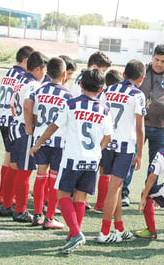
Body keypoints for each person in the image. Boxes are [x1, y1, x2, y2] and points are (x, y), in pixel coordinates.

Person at [30, 69, 113, 254]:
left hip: (73, 158)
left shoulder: (72, 104)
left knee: (62, 195)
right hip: (92, 160)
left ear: (81, 85)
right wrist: (97, 150)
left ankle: (75, 233)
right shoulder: (104, 109)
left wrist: (38, 143)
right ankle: (72, 234)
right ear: (101, 90)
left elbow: (54, 126)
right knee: (81, 198)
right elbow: (108, 136)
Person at [97, 60, 146, 243]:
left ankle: (119, 228)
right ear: (141, 78)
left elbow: (100, 115)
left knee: (114, 187)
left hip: (107, 143)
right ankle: (104, 232)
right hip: (124, 146)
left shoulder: (108, 90)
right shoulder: (137, 94)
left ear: (124, 74)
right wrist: (140, 153)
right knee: (114, 188)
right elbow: (140, 128)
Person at [0, 51, 47, 222]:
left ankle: (6, 205)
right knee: (24, 171)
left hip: (14, 125)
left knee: (13, 167)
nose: (44, 75)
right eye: (43, 71)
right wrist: (30, 128)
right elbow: (28, 105)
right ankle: (20, 210)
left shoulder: (20, 81)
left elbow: (13, 103)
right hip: (23, 128)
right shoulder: (33, 84)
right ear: (37, 69)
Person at [26, 57, 72, 228]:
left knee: (40, 176)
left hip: (40, 138)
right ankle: (49, 217)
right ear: (64, 74)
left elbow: (33, 112)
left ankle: (37, 214)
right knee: (54, 179)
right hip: (58, 140)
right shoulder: (68, 95)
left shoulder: (39, 90)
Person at [136, 44, 164, 207]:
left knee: (156, 164)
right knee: (131, 158)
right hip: (139, 125)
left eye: (163, 61)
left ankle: (151, 194)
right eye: (157, 59)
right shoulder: (142, 70)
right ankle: (123, 193)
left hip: (161, 127)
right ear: (152, 57)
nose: (159, 64)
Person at [0, 46, 34, 210]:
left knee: (9, 159)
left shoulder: (9, 73)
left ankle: (3, 195)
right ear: (26, 61)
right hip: (15, 120)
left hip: (4, 118)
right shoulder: (24, 77)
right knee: (16, 163)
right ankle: (7, 196)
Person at [94, 69, 123, 214]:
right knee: (115, 176)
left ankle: (100, 204)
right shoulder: (124, 95)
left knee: (103, 173)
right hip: (119, 138)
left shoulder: (103, 95)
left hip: (105, 137)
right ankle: (107, 204)